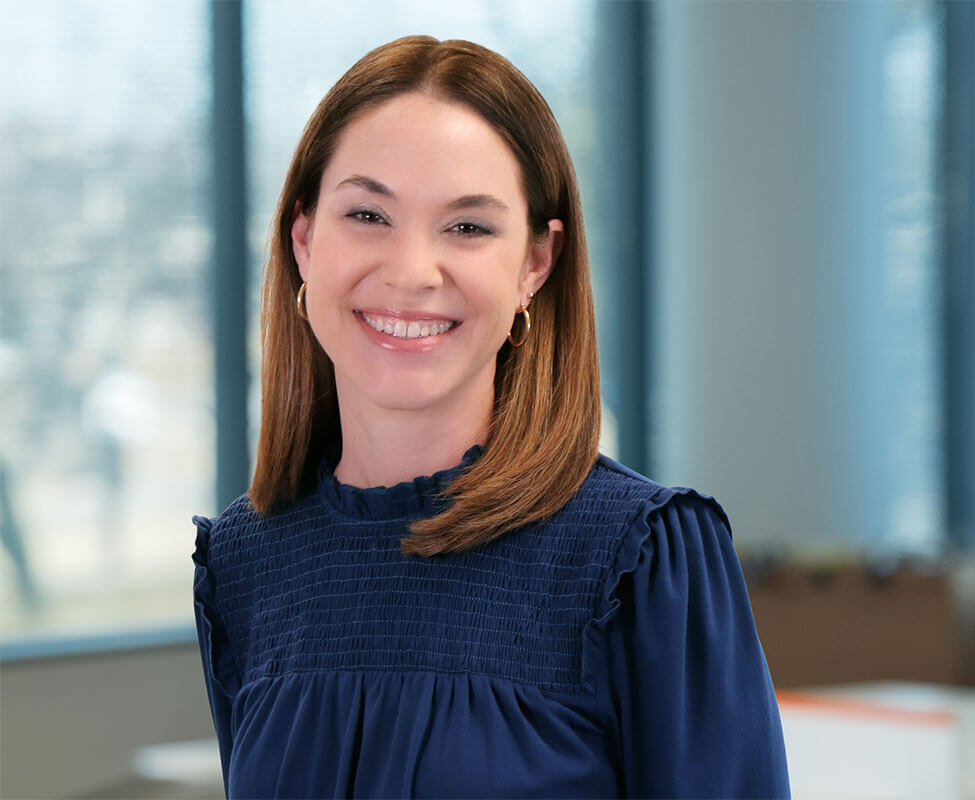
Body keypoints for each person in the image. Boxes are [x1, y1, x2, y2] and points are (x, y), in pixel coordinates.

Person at [192, 35, 789, 799]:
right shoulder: (247, 562)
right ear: (305, 241)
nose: (410, 271)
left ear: (535, 265)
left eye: (468, 226)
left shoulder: (642, 561)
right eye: (368, 213)